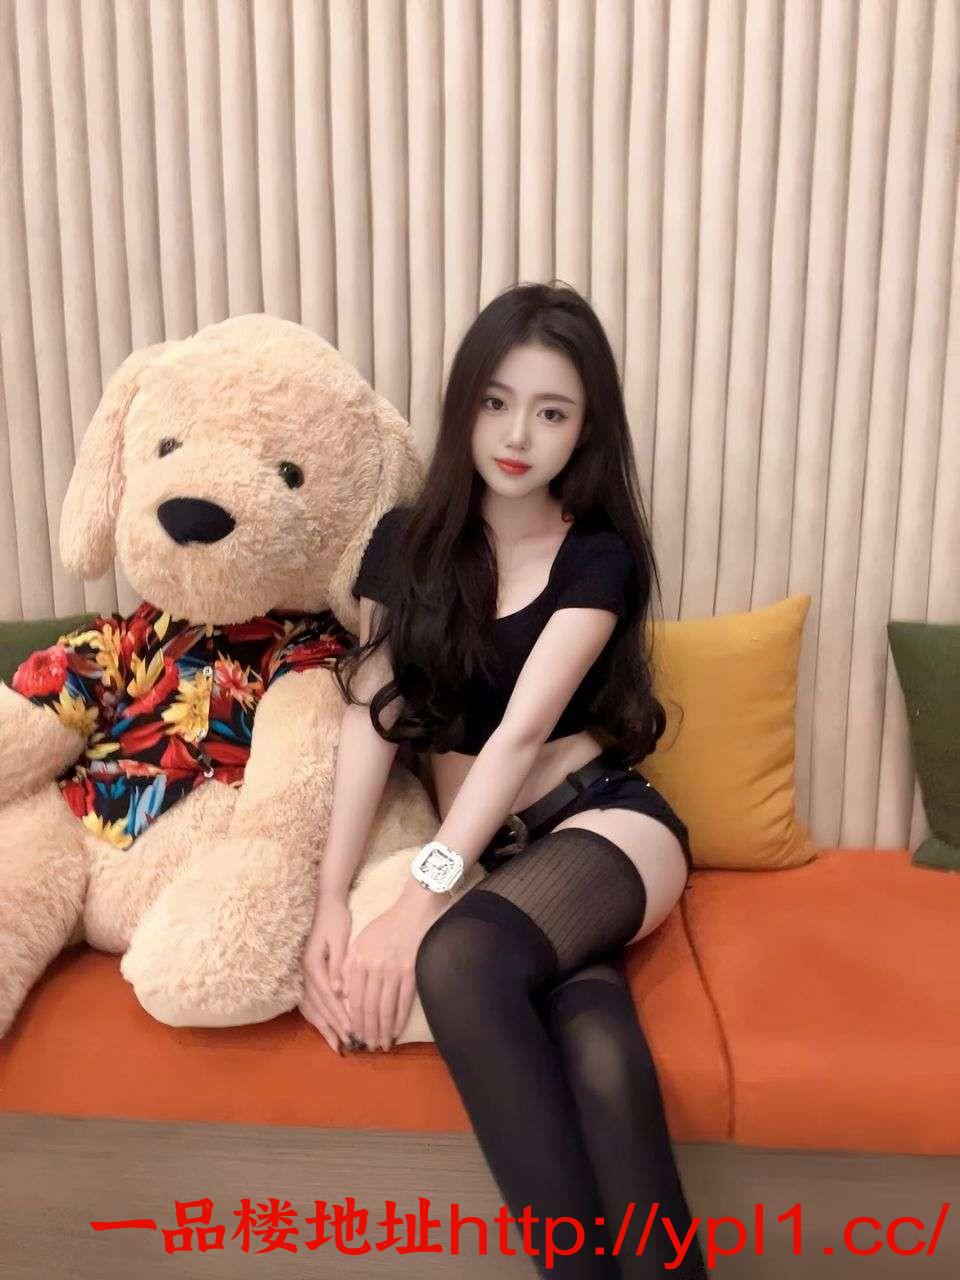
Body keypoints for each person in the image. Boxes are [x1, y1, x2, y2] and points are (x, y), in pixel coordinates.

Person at [300, 282, 707, 1278]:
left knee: (460, 957)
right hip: (501, 862)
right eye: (496, 401)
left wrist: (417, 903)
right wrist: (331, 898)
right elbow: (370, 715)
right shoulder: (405, 544)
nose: (518, 435)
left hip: (604, 830)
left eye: (552, 412)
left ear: (585, 429)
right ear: (464, 404)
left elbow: (521, 736)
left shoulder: (598, 557)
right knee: (600, 1047)